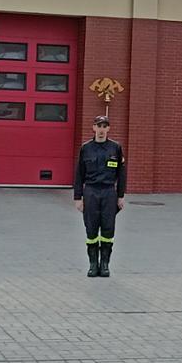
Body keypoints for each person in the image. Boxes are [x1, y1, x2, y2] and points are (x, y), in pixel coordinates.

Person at [75, 115, 127, 277]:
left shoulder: (115, 148)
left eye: (105, 127)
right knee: (91, 229)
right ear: (94, 128)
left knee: (108, 228)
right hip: (90, 191)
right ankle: (92, 265)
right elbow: (79, 174)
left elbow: (121, 174)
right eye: (99, 126)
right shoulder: (86, 148)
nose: (102, 130)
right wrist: (78, 197)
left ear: (108, 129)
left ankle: (104, 265)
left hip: (108, 192)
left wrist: (120, 196)